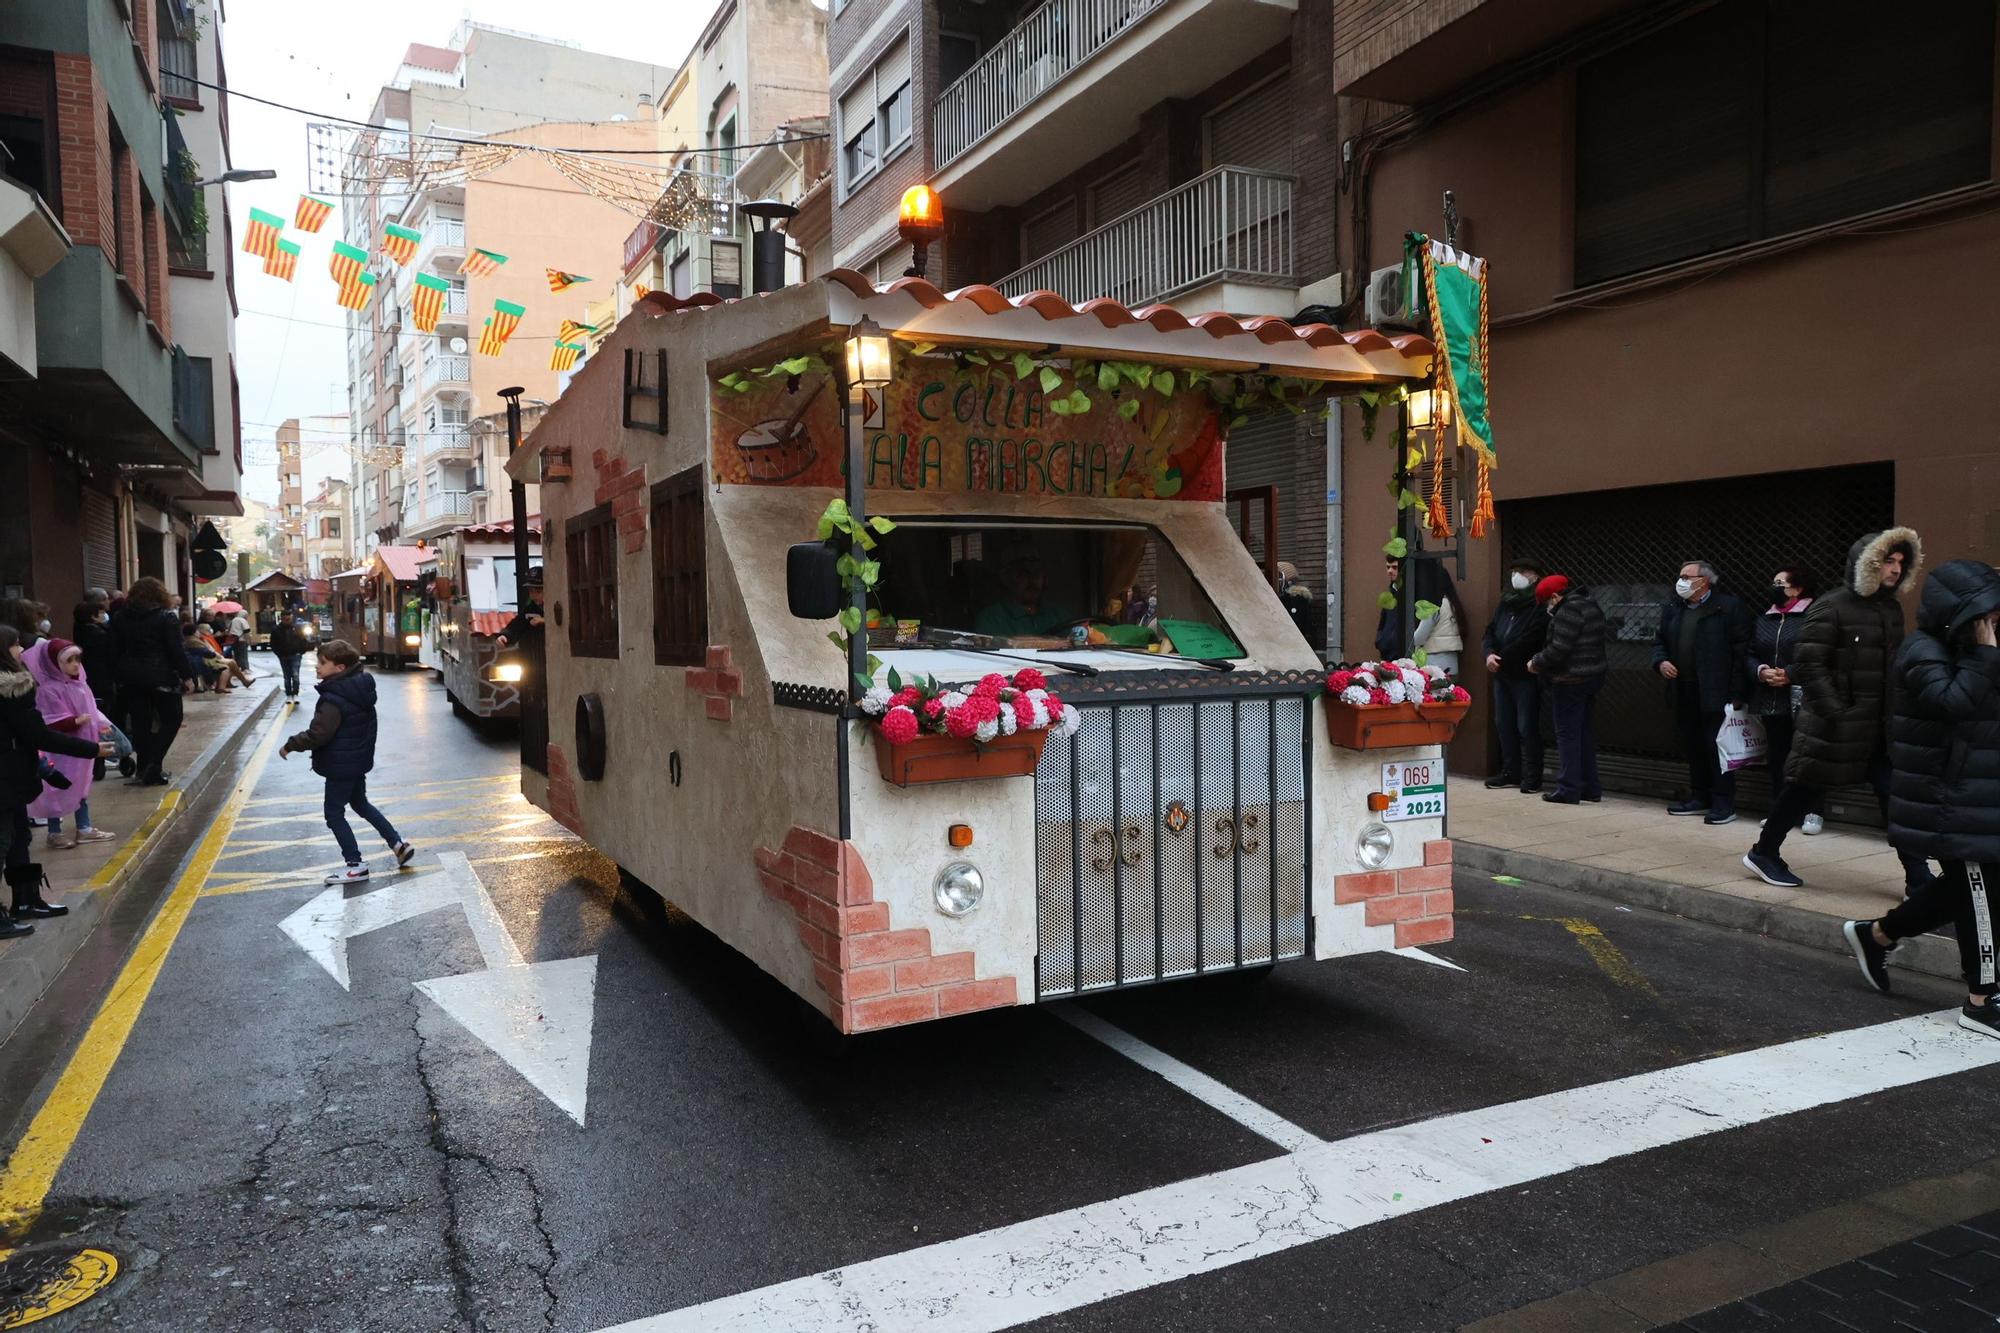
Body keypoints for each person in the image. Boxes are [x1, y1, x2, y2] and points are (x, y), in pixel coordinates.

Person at [1842, 560, 2000, 1039]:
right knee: (1981, 895)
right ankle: (1983, 999)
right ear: (1963, 613)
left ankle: (1876, 935)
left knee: (1964, 890)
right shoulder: (1922, 651)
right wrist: (1985, 652)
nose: (1995, 622)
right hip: (1950, 797)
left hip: (1980, 792)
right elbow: (1951, 703)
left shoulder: (1972, 650)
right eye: (1989, 615)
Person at [1744, 527, 1934, 891]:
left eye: (1900, 563)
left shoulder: (1891, 609)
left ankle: (1918, 877)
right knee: (1801, 788)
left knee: (1893, 796)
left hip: (1877, 727)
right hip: (1834, 726)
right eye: (1887, 561)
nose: (1894, 570)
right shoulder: (1831, 606)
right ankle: (1764, 852)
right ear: (1867, 564)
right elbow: (1810, 664)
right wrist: (1837, 712)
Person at [0, 626, 113, 937]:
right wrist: (90, 749)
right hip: (6, 777)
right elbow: (37, 734)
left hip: (13, 776)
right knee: (3, 842)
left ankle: (26, 898)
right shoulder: (13, 689)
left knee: (19, 838)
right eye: (15, 646)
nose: (21, 652)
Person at [279, 640, 414, 885]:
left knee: (333, 814)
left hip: (341, 765)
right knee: (361, 804)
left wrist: (290, 744)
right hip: (356, 760)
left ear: (339, 668)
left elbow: (318, 734)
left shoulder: (334, 698)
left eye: (322, 663)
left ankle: (355, 864)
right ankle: (397, 844)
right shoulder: (359, 689)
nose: (317, 667)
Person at [1653, 560, 1754, 825]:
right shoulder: (1674, 608)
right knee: (1693, 744)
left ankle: (1724, 802)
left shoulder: (1728, 608)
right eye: (1680, 576)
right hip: (1683, 688)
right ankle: (1700, 796)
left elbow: (1741, 652)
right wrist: (1661, 662)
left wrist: (1736, 693)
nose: (1681, 581)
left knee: (1716, 746)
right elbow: (1659, 641)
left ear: (1704, 581)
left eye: (1687, 576)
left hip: (1716, 690)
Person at [1748, 565, 1824, 836]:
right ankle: (1780, 811)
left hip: (1806, 698)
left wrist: (1790, 674)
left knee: (1807, 755)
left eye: (1780, 583)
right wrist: (1760, 671)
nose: (1775, 588)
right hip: (1772, 697)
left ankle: (1814, 811)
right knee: (1779, 755)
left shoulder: (1814, 616)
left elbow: (1820, 655)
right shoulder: (1765, 619)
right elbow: (1750, 653)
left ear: (1798, 588)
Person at [25, 640, 115, 848]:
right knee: (56, 789)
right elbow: (49, 719)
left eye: (77, 660)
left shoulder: (80, 685)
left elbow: (92, 709)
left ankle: (84, 828)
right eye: (68, 661)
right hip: (62, 750)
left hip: (82, 746)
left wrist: (101, 724)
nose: (75, 665)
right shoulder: (48, 690)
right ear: (53, 664)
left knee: (81, 788)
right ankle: (54, 832)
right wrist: (74, 722)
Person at [1527, 574, 1607, 805]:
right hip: (1592, 677)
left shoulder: (1568, 612)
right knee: (1583, 734)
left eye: (1546, 602)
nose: (1547, 608)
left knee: (1568, 735)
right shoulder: (1590, 605)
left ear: (1554, 596)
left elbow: (1559, 649)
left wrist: (1536, 663)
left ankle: (1568, 788)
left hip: (1570, 680)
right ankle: (1590, 788)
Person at [111, 576, 195, 787]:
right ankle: (153, 765)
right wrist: (187, 676)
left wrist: (118, 675)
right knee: (172, 719)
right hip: (161, 676)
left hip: (130, 677)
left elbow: (114, 650)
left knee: (141, 723)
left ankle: (143, 769)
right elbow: (175, 650)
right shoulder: (166, 617)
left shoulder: (120, 617)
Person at [1482, 556, 1550, 792]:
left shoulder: (1539, 605)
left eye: (1522, 571)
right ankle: (1510, 771)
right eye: (1514, 571)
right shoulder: (1506, 602)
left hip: (1525, 674)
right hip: (1502, 675)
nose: (1516, 576)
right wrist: (1489, 653)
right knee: (1504, 724)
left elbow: (1531, 638)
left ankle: (1532, 777)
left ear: (1535, 576)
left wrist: (1501, 657)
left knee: (1526, 726)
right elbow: (1490, 631)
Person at [973, 543, 1077, 640]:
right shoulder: (991, 619)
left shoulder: (1059, 615)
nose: (1032, 579)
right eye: (1023, 573)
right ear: (1006, 578)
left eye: (1036, 572)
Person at [496, 569, 546, 650]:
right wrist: (505, 636)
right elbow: (517, 625)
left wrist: (544, 620)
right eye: (531, 591)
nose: (534, 596)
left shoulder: (559, 607)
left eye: (538, 591)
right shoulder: (531, 609)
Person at [272, 612, 314, 702]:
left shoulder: (297, 628)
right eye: (285, 619)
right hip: (283, 656)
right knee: (287, 677)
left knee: (295, 675)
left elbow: (303, 640)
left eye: (289, 619)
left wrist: (301, 651)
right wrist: (279, 653)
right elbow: (273, 644)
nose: (287, 621)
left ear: (291, 618)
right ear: (282, 619)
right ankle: (289, 695)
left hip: (295, 655)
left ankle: (295, 694)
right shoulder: (276, 630)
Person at [227, 607, 252, 675]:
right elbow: (247, 631)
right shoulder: (242, 620)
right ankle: (245, 668)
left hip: (234, 640)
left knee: (237, 654)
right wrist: (248, 640)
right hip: (241, 640)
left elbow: (229, 630)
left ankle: (238, 668)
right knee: (243, 654)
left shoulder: (233, 620)